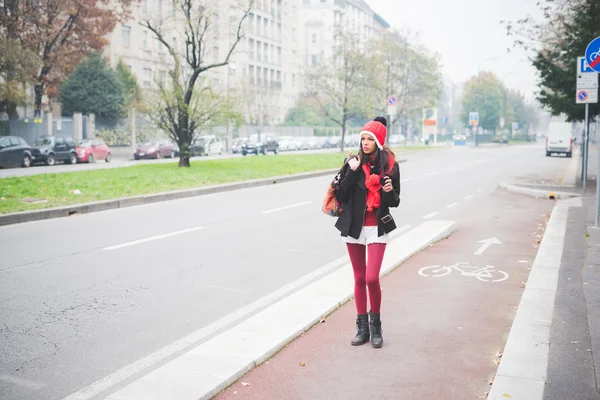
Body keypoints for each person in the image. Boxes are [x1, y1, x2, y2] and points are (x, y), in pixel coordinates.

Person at [334, 116, 401, 348]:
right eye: (362, 138)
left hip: (377, 228)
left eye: (369, 139)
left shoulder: (390, 166)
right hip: (354, 227)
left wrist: (390, 191)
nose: (364, 142)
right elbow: (341, 195)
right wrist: (351, 172)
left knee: (372, 278)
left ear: (378, 141)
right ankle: (362, 328)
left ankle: (376, 326)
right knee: (359, 278)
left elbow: (395, 202)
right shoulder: (352, 162)